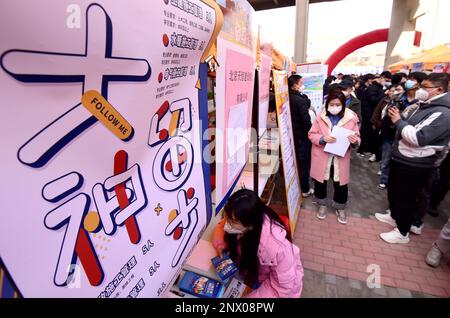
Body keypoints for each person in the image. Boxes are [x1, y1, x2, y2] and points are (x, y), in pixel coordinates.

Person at [376, 73, 450, 244]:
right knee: (395, 191)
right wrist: (400, 119)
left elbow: (418, 137)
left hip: (417, 163)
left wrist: (398, 122)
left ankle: (402, 232)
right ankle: (394, 217)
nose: (420, 90)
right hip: (402, 157)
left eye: (425, 87)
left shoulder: (444, 113)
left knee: (408, 197)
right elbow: (409, 125)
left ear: (439, 89)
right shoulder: (423, 105)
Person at [212, 189, 304, 298]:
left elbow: (281, 290)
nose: (226, 224)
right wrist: (222, 245)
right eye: (226, 217)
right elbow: (221, 226)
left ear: (251, 225)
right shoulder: (240, 216)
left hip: (279, 289)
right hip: (254, 273)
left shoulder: (278, 249)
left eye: (232, 222)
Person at [308, 90, 360, 224]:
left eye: (338, 104)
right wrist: (322, 138)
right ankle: (322, 205)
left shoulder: (351, 118)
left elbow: (357, 137)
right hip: (322, 155)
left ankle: (340, 207)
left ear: (343, 105)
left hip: (340, 157)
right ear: (327, 104)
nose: (335, 107)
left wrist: (355, 141)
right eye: (332, 104)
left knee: (340, 184)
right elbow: (311, 134)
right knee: (320, 181)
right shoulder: (321, 117)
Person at [371, 84, 405, 189]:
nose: (394, 92)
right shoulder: (388, 101)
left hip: (402, 136)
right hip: (388, 132)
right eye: (393, 90)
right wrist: (375, 122)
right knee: (386, 156)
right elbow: (379, 112)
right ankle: (384, 179)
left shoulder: (413, 104)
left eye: (398, 90)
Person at [288, 75, 313, 197]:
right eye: (301, 83)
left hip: (291, 135)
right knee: (304, 163)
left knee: (295, 161)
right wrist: (311, 135)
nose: (303, 85)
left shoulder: (287, 97)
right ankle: (305, 189)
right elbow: (306, 122)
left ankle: (298, 185)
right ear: (295, 85)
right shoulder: (300, 101)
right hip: (302, 137)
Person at [358, 74, 384, 160]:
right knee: (365, 131)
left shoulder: (377, 88)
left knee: (369, 132)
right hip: (368, 114)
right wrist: (384, 94)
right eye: (383, 79)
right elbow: (373, 100)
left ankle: (366, 149)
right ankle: (361, 149)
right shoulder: (373, 88)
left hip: (371, 113)